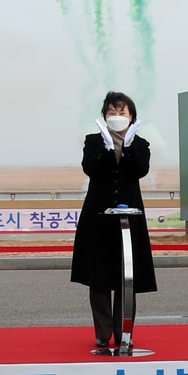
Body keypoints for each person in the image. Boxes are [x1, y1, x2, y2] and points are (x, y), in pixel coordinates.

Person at [70, 92, 157, 348]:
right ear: (104, 116)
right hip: (98, 216)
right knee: (98, 275)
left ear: (132, 117)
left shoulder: (140, 144)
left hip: (130, 218)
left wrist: (127, 148)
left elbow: (139, 170)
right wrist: (107, 149)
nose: (116, 116)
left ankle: (123, 331)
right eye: (111, 112)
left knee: (126, 274)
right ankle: (102, 331)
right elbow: (90, 168)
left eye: (122, 112)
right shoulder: (94, 141)